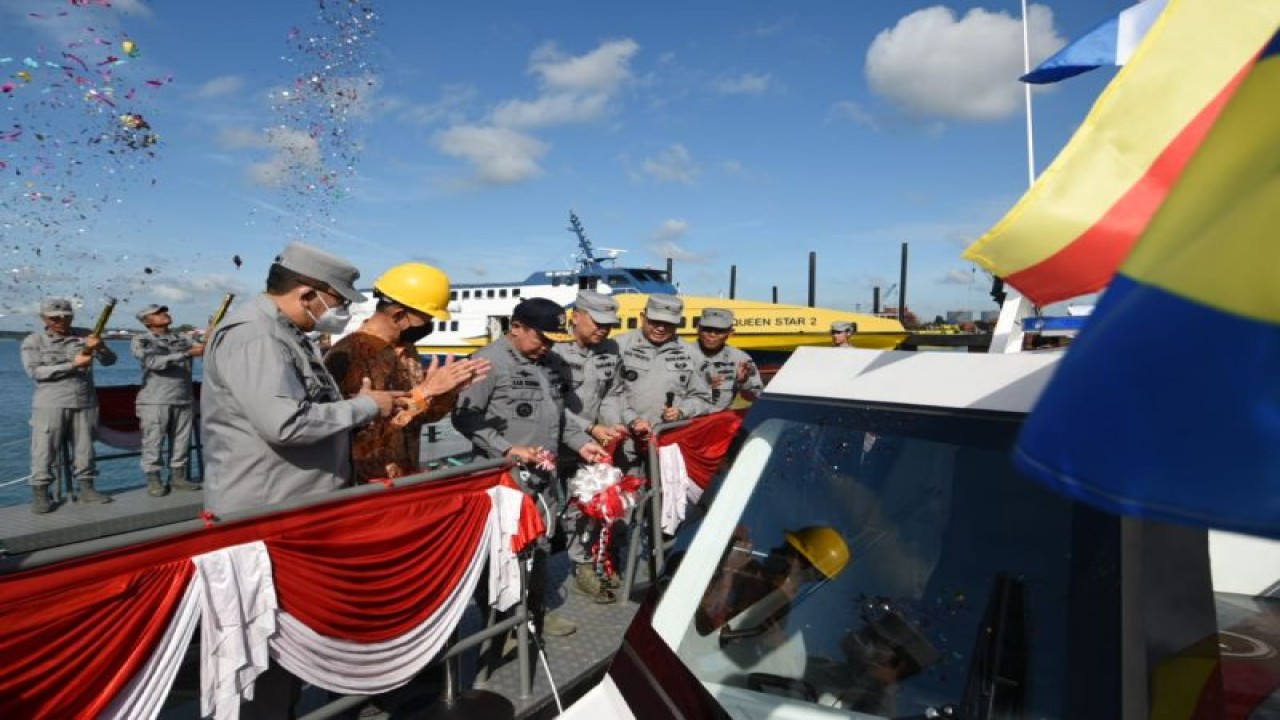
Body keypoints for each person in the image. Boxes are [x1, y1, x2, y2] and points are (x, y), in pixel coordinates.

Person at [200, 242, 406, 719]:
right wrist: (365, 407)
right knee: (264, 649)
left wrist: (356, 404)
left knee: (294, 642)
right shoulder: (255, 335)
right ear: (309, 292)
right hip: (264, 515)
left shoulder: (286, 333)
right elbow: (284, 424)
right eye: (338, 301)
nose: (341, 311)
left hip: (296, 512)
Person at [452, 297, 610, 638]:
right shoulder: (486, 362)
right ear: (517, 328)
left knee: (538, 547)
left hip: (542, 480)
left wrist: (582, 443)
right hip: (502, 481)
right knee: (504, 555)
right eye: (542, 338)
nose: (547, 346)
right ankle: (502, 629)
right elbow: (465, 417)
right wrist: (507, 448)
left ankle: (532, 615)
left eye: (553, 340)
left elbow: (558, 415)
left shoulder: (550, 362)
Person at [324, 262, 490, 482]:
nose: (429, 326)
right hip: (365, 486)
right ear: (400, 315)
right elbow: (357, 433)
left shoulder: (407, 350)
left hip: (406, 477)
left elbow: (418, 419)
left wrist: (444, 393)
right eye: (426, 319)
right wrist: (425, 391)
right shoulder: (348, 355)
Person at [554, 290, 628, 603]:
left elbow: (612, 392)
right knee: (556, 512)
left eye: (609, 325)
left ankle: (587, 562)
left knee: (587, 507)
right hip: (554, 443)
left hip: (593, 446)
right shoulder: (553, 348)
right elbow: (551, 403)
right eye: (598, 322)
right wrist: (589, 428)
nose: (604, 330)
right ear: (577, 316)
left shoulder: (610, 349)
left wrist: (609, 426)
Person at [21, 297, 118, 513]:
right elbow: (35, 372)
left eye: (64, 317)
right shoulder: (34, 341)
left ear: (71, 316)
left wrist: (100, 347)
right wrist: (72, 364)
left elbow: (111, 361)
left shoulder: (86, 335)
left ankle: (87, 488)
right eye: (53, 318)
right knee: (44, 449)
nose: (59, 321)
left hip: (84, 400)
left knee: (85, 448)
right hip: (51, 403)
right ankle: (41, 493)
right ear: (44, 318)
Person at [608, 294, 713, 462]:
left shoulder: (691, 354)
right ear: (643, 317)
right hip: (624, 441)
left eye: (668, 324)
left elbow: (703, 398)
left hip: (669, 444)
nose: (661, 328)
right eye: (655, 322)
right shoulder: (618, 346)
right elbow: (608, 394)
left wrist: (682, 411)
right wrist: (632, 420)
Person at [131, 304, 204, 496]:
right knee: (153, 441)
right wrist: (186, 353)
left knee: (182, 441)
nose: (164, 315)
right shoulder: (142, 339)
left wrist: (212, 331)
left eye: (164, 311)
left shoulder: (182, 337)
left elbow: (203, 341)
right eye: (157, 313)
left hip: (183, 398)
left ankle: (178, 477)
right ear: (147, 321)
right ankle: (154, 480)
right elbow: (152, 362)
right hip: (156, 400)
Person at [691, 308, 764, 412]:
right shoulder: (679, 354)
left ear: (730, 333)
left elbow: (755, 397)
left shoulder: (741, 359)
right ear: (698, 328)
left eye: (719, 331)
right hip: (680, 422)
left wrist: (744, 382)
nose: (712, 334)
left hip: (717, 421)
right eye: (707, 329)